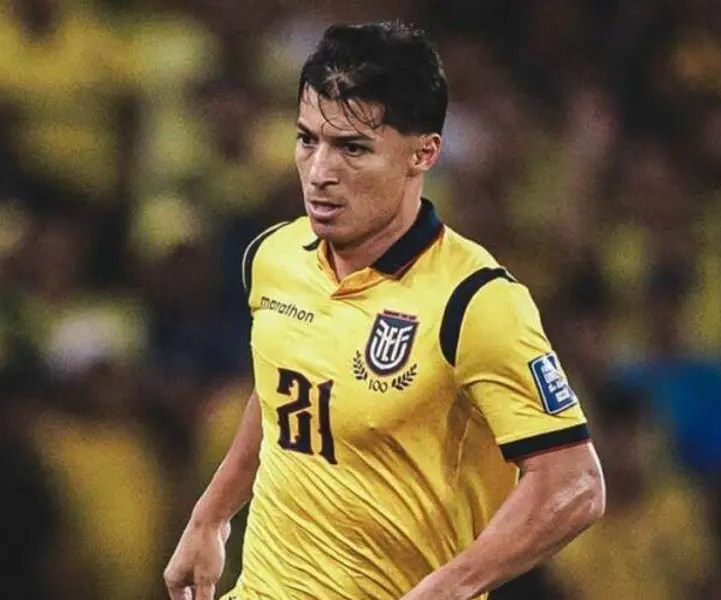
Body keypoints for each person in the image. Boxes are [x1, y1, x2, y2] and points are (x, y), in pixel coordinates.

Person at [163, 22, 606, 600]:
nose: (320, 172)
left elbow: (575, 484)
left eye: (353, 148)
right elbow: (284, 391)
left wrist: (449, 588)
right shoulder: (274, 256)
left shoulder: (473, 301)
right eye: (307, 139)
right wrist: (211, 517)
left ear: (424, 152)